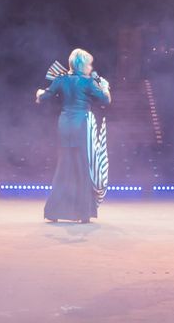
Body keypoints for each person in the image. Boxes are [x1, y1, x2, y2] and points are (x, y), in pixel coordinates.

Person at [36, 48, 111, 223]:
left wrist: (39, 93)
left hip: (64, 124)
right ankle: (82, 213)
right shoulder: (88, 82)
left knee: (64, 165)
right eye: (89, 64)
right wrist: (105, 87)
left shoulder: (61, 80)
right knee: (81, 166)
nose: (91, 67)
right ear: (82, 64)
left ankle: (53, 212)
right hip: (82, 124)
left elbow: (44, 97)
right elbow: (106, 100)